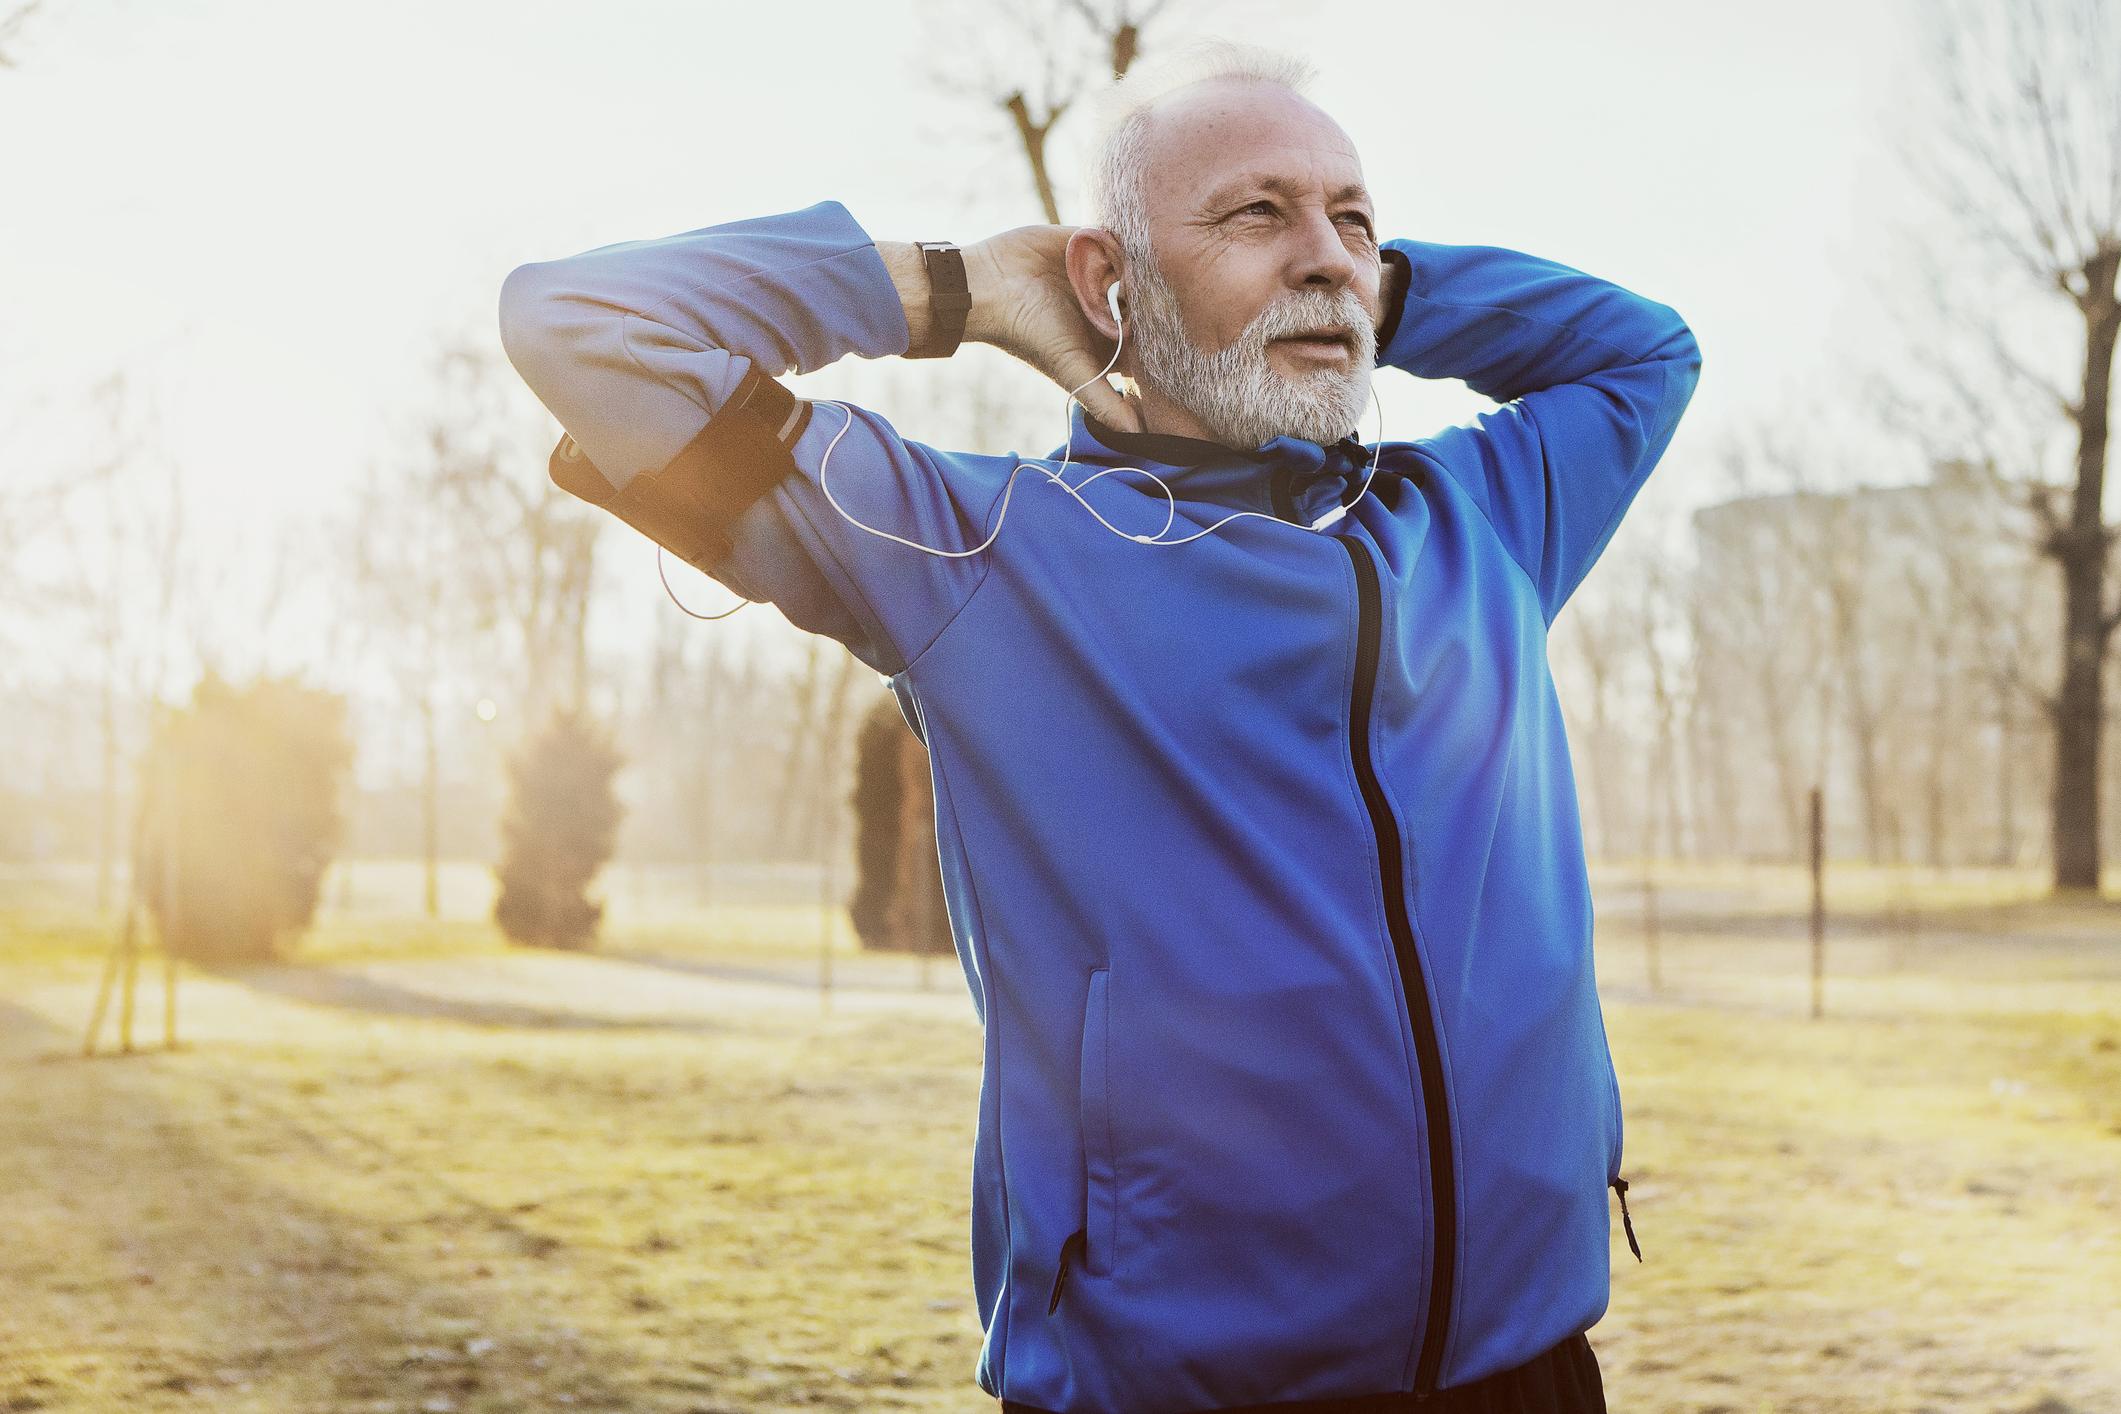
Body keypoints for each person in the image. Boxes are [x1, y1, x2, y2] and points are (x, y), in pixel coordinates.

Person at [497, 37, 1699, 1414]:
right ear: (1104, 280)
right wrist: (951, 291)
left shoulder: (1482, 521)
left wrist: (1353, 281)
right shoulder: (976, 551)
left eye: (1351, 214)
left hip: (1525, 1369)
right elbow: (574, 323)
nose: (1322, 251)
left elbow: (1642, 351)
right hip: (1170, 1388)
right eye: (1254, 211)